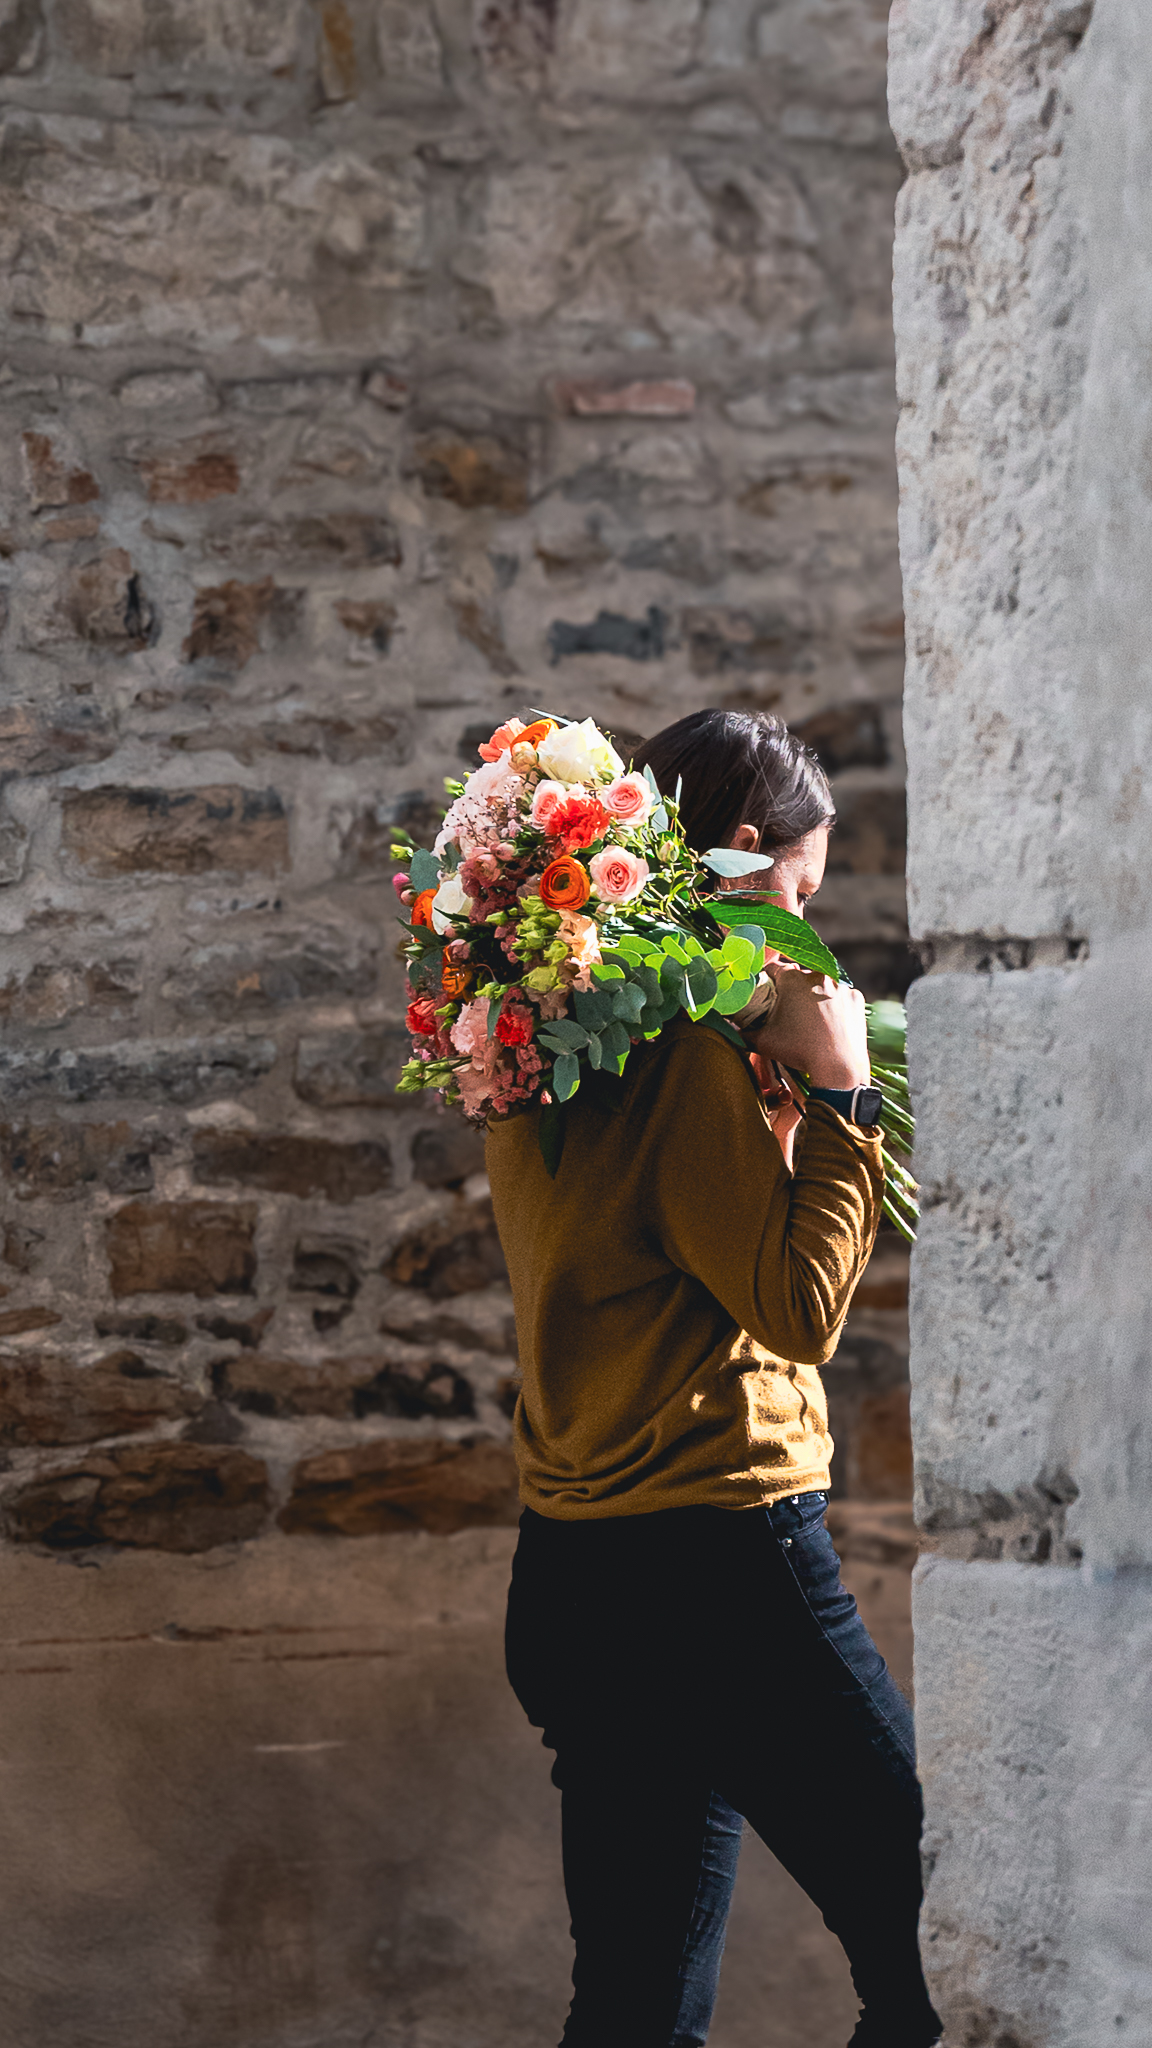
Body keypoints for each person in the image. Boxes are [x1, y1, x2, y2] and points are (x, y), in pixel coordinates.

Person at [486, 708, 942, 2048]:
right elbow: (793, 1311)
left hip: (575, 1573)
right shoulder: (686, 1057)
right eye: (798, 892)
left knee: (634, 2010)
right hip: (725, 1570)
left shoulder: (537, 1039)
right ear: (740, 853)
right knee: (948, 1949)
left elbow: (651, 1252)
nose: (804, 930)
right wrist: (846, 1098)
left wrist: (773, 1117)